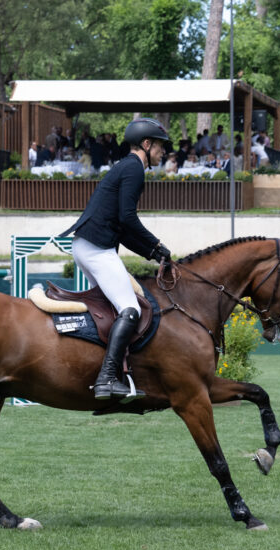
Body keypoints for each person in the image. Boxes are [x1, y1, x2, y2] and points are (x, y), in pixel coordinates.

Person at [61, 118, 172, 400]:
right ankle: (107, 378)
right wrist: (156, 244)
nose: (164, 153)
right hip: (96, 249)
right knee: (130, 310)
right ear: (146, 144)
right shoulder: (135, 169)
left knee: (112, 309)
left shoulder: (127, 167)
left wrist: (153, 252)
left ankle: (109, 370)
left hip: (90, 245)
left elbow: (122, 228)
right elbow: (128, 219)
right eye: (160, 147)